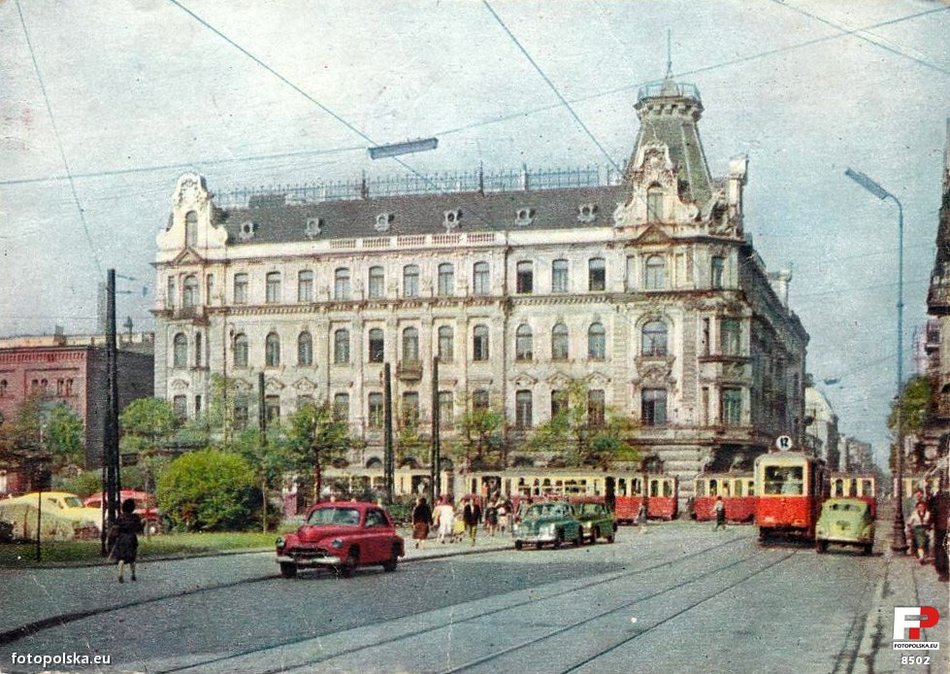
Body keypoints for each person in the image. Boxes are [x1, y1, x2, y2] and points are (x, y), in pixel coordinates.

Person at [109, 498, 143, 583]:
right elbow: (139, 528)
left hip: (122, 539)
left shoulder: (120, 517)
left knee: (121, 558)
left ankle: (120, 574)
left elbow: (115, 527)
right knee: (132, 558)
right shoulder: (135, 517)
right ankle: (133, 574)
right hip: (132, 538)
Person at [927, 487, 949, 582]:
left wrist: (928, 525)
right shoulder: (939, 499)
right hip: (943, 527)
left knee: (941, 549)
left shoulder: (938, 499)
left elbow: (932, 513)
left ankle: (944, 572)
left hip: (941, 528)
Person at [906, 500, 932, 565]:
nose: (921, 508)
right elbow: (909, 522)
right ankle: (921, 557)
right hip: (918, 530)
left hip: (926, 530)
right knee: (920, 543)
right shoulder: (914, 514)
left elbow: (931, 522)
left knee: (925, 544)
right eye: (919, 507)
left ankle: (922, 556)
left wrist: (929, 528)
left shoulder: (928, 513)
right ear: (917, 507)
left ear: (924, 507)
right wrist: (910, 529)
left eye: (922, 506)